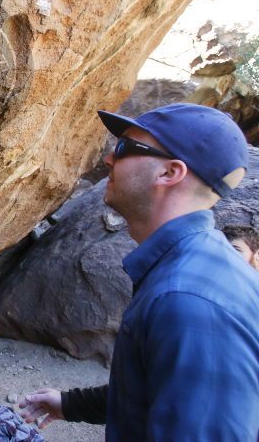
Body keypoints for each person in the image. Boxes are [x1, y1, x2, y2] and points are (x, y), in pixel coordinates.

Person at [17, 103, 259, 440]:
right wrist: (71, 404)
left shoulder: (187, 301)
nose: (108, 159)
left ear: (169, 173)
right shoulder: (194, 268)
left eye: (124, 148)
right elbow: (158, 387)